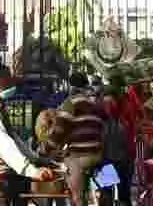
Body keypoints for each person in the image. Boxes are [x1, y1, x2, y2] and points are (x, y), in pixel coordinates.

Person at [0, 72, 58, 206]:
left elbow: (14, 139)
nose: (12, 88)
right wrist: (31, 171)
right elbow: (4, 145)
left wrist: (36, 159)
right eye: (8, 84)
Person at [57, 72, 107, 206]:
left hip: (79, 157)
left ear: (70, 86)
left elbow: (58, 131)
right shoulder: (95, 105)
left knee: (75, 193)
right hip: (98, 155)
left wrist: (45, 150)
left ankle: (77, 200)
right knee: (106, 181)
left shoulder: (69, 104)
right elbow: (103, 125)